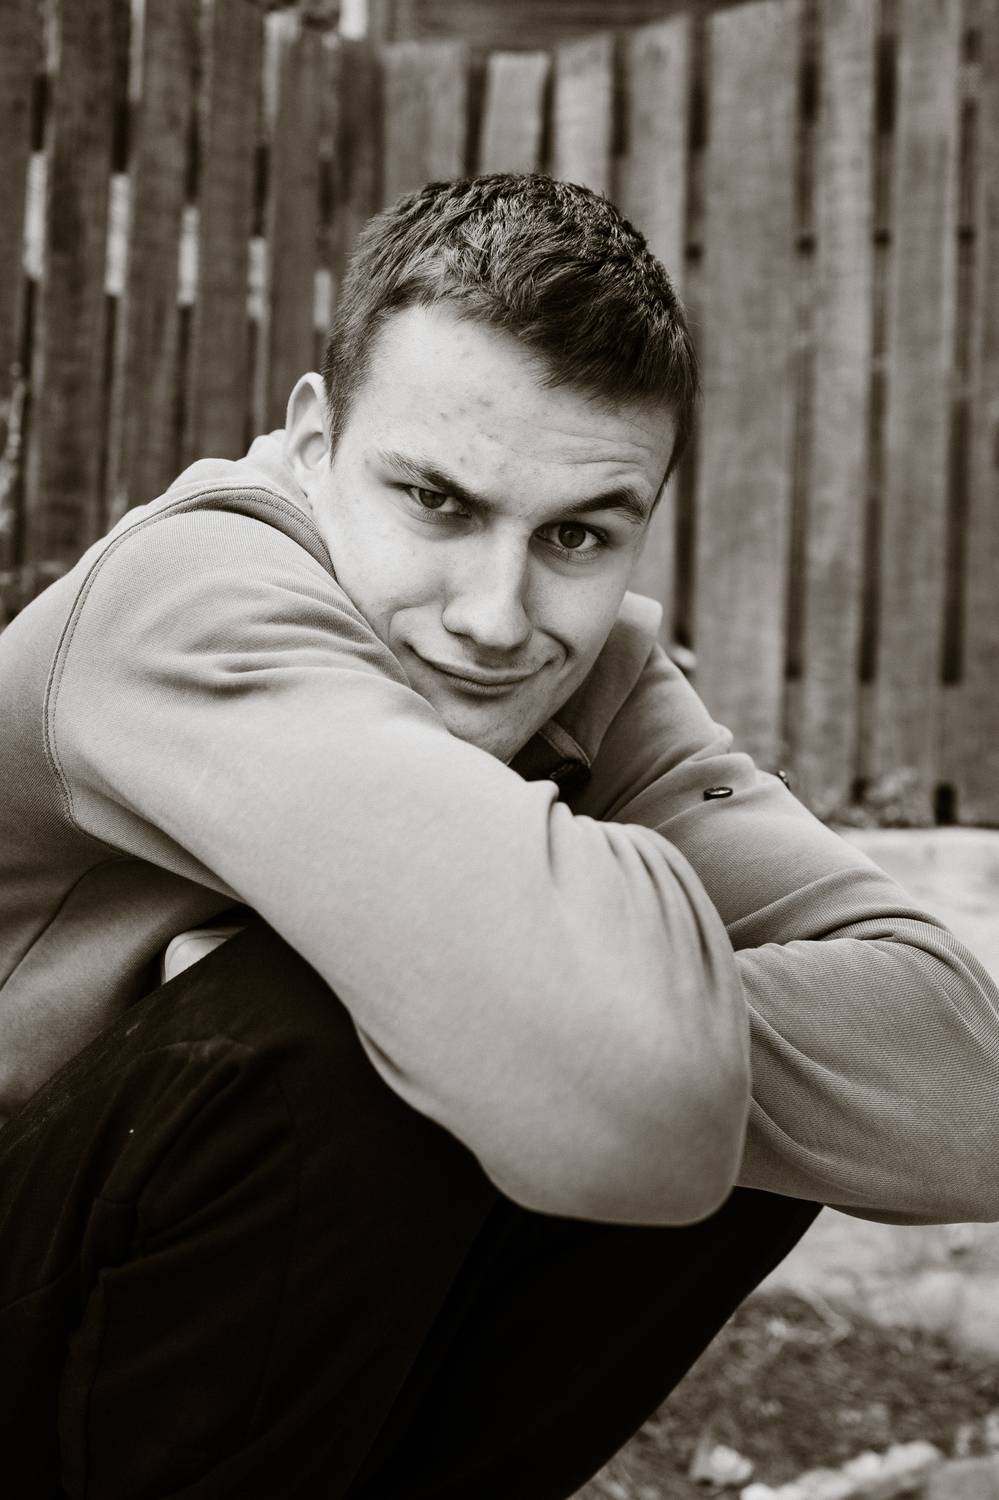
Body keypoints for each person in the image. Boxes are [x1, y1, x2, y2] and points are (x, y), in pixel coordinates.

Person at [1, 173, 996, 1499]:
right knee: (339, 1026)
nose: (494, 617)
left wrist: (592, 997)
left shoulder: (589, 682)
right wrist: (541, 996)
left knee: (611, 1045)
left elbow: (965, 1080)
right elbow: (620, 1086)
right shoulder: (189, 601)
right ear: (314, 443)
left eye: (577, 534)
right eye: (437, 501)